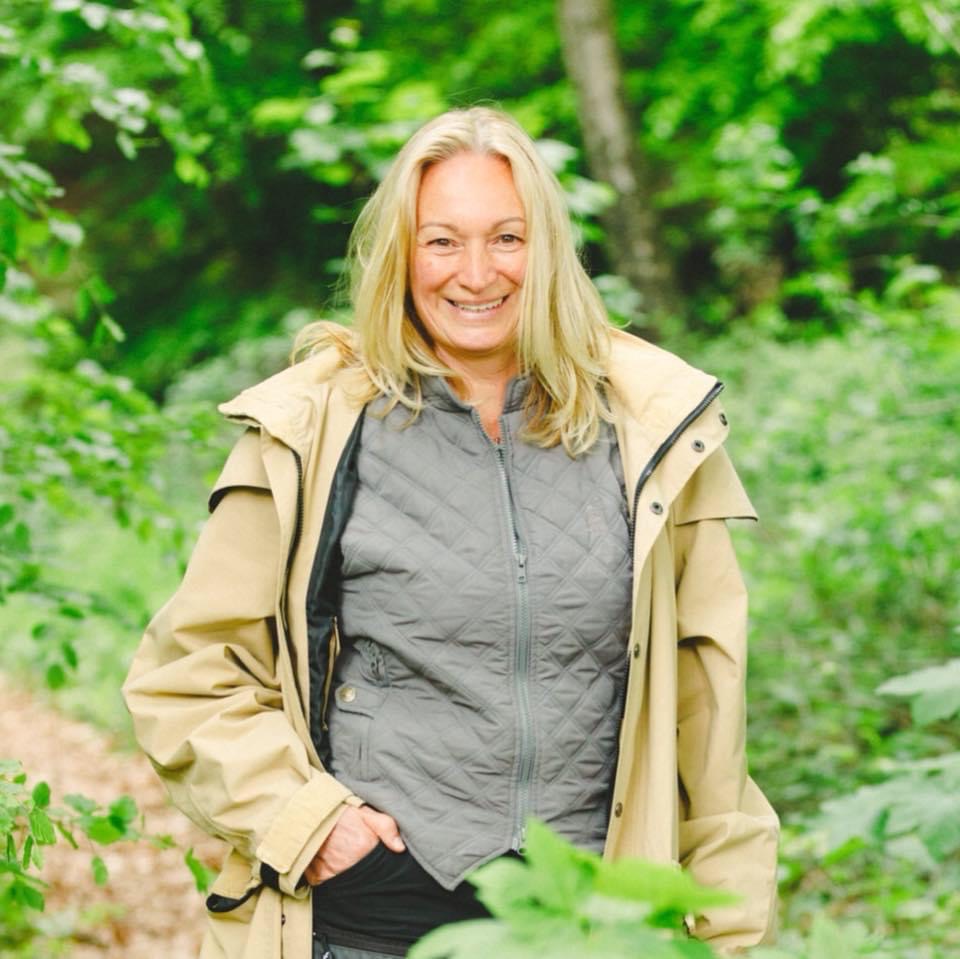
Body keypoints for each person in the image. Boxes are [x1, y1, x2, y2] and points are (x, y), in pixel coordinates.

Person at [123, 106, 779, 959]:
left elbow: (709, 717)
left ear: (548, 249)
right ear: (401, 254)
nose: (476, 274)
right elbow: (187, 676)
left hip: (591, 927)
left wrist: (725, 932)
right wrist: (311, 824)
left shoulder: (651, 426)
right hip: (373, 923)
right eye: (442, 241)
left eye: (506, 238)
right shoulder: (312, 429)